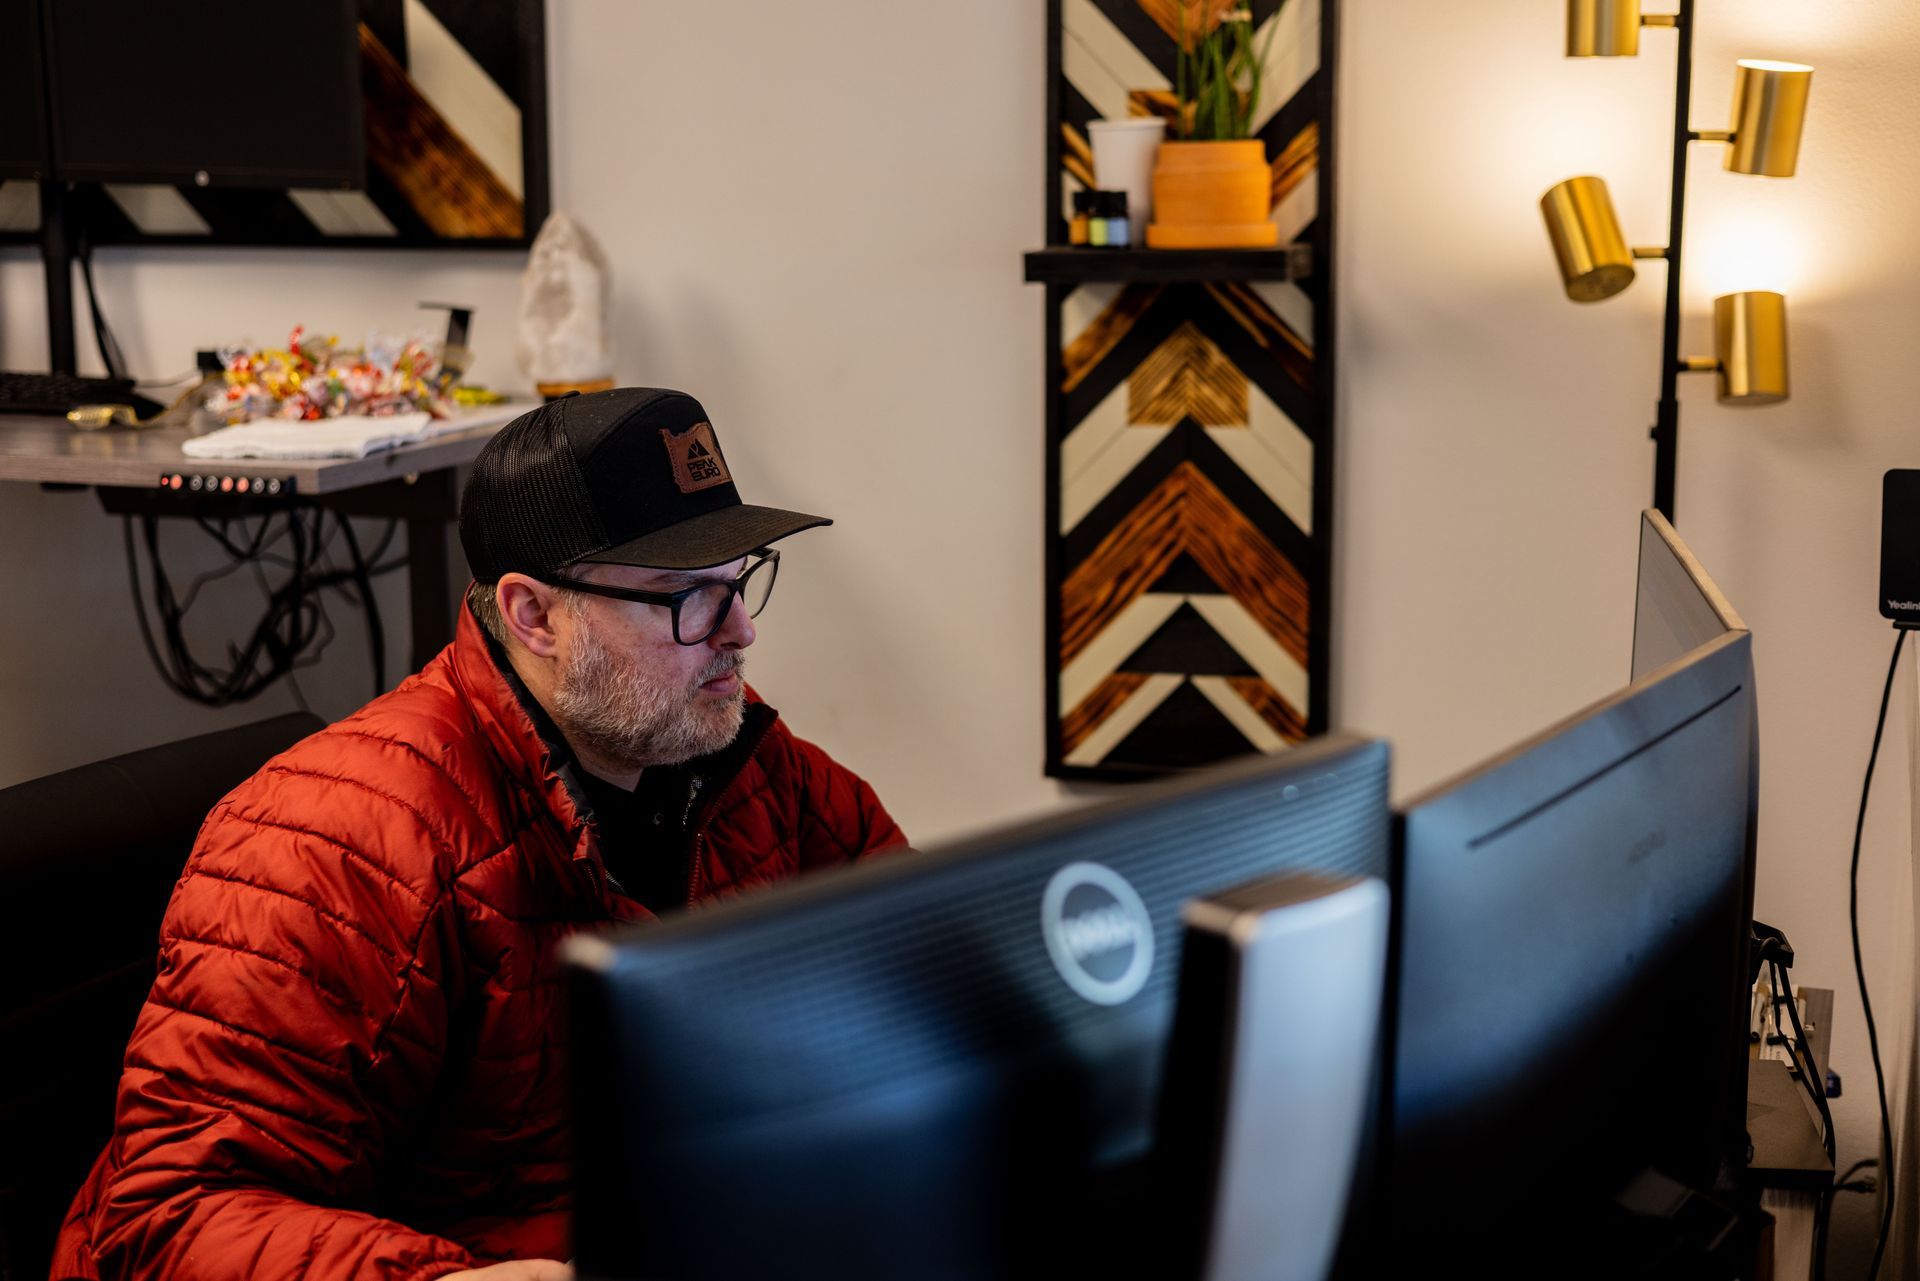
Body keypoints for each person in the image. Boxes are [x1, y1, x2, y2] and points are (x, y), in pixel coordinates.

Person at [50, 388, 906, 1281]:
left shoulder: (727, 749)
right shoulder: (338, 843)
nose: (740, 630)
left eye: (739, 579)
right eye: (686, 597)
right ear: (533, 615)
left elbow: (922, 956)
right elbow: (172, 1218)